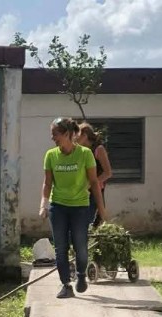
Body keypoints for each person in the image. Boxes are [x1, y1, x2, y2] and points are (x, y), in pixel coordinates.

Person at [40, 117, 106, 299]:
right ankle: (65, 284)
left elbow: (94, 182)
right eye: (52, 134)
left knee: (80, 246)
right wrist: (43, 204)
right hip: (58, 207)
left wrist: (101, 209)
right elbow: (47, 183)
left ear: (68, 134)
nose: (52, 137)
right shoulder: (51, 155)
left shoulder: (85, 154)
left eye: (55, 134)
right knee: (60, 248)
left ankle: (81, 275)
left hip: (80, 207)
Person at [75, 123, 113, 227]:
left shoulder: (98, 149)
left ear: (85, 136)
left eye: (77, 137)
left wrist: (92, 183)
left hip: (95, 191)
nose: (75, 141)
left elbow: (108, 173)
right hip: (83, 190)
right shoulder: (82, 151)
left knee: (91, 221)